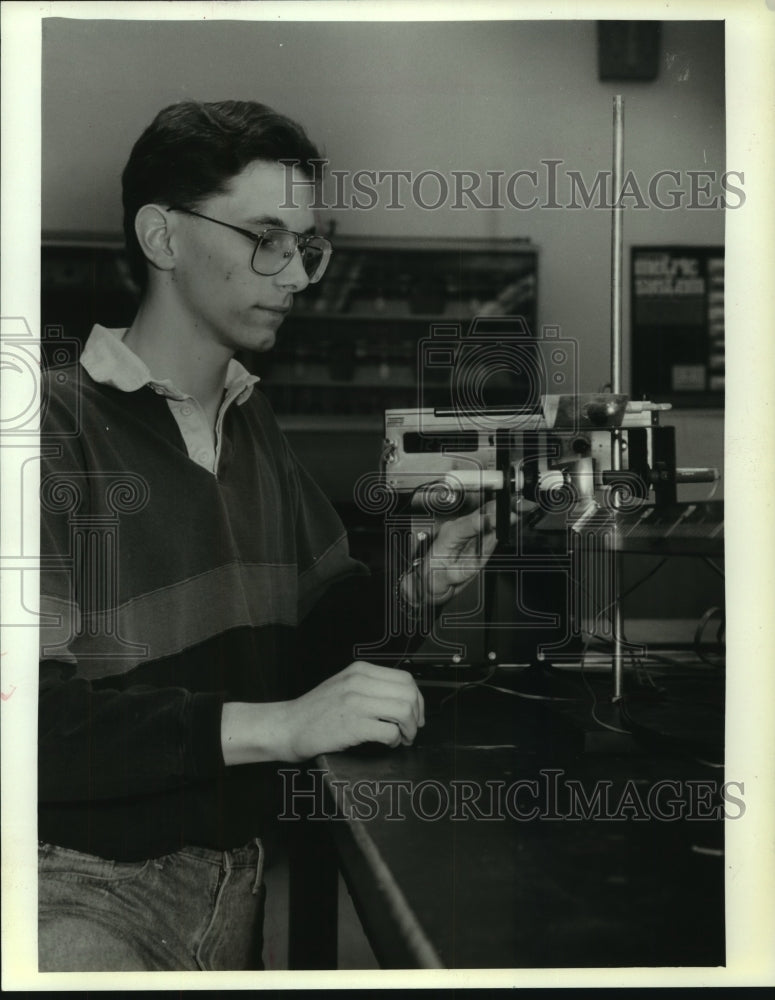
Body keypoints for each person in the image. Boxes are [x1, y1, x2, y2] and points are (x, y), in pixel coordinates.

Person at [37, 100, 501, 972]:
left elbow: (318, 638)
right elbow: (31, 730)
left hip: (238, 889)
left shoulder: (253, 426)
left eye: (306, 245)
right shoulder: (46, 432)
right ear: (162, 237)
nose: (295, 275)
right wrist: (282, 726)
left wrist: (416, 591)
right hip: (75, 894)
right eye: (264, 237)